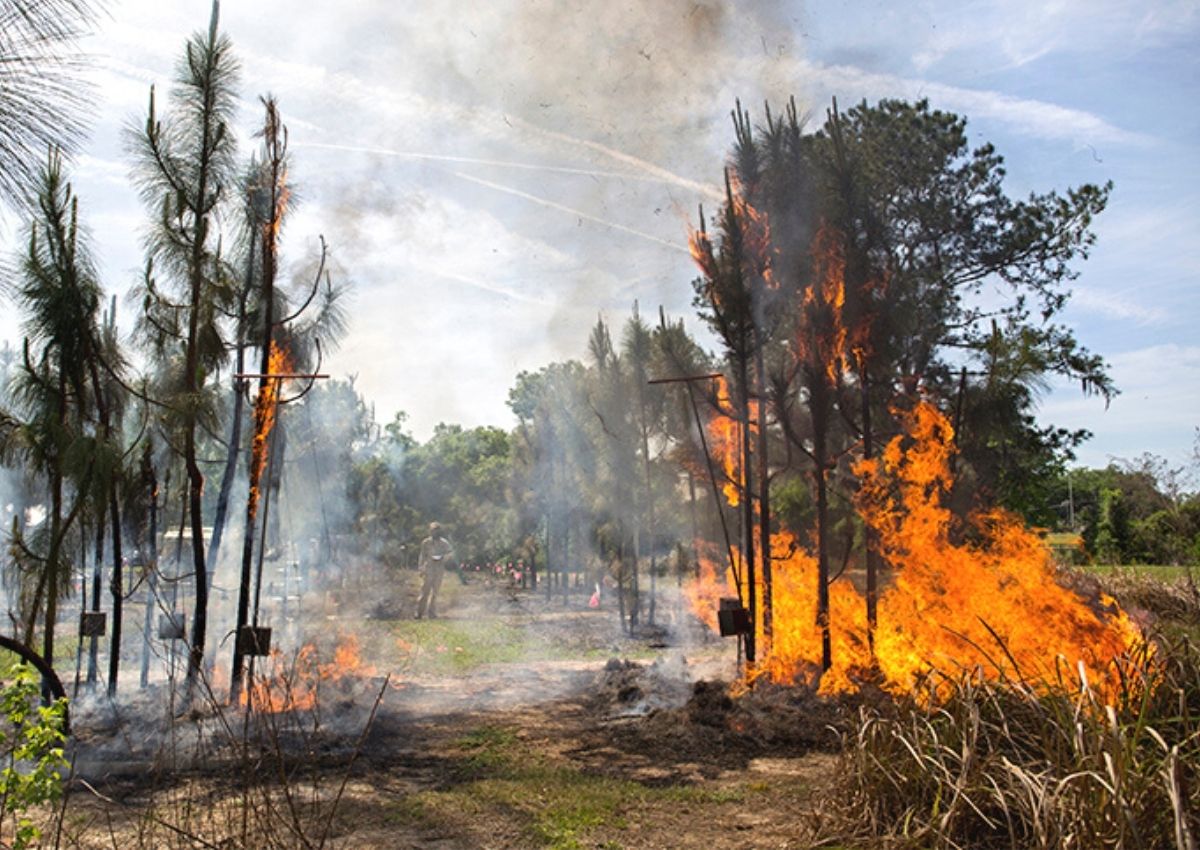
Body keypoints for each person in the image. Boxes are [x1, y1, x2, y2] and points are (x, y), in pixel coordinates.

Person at [415, 522, 454, 619]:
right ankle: (419, 612)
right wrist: (421, 568)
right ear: (430, 531)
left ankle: (431, 613)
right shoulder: (425, 542)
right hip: (429, 569)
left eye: (436, 531)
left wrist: (443, 558)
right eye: (432, 531)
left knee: (435, 593)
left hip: (439, 569)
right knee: (424, 592)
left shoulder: (444, 543)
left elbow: (450, 553)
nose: (434, 533)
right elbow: (422, 556)